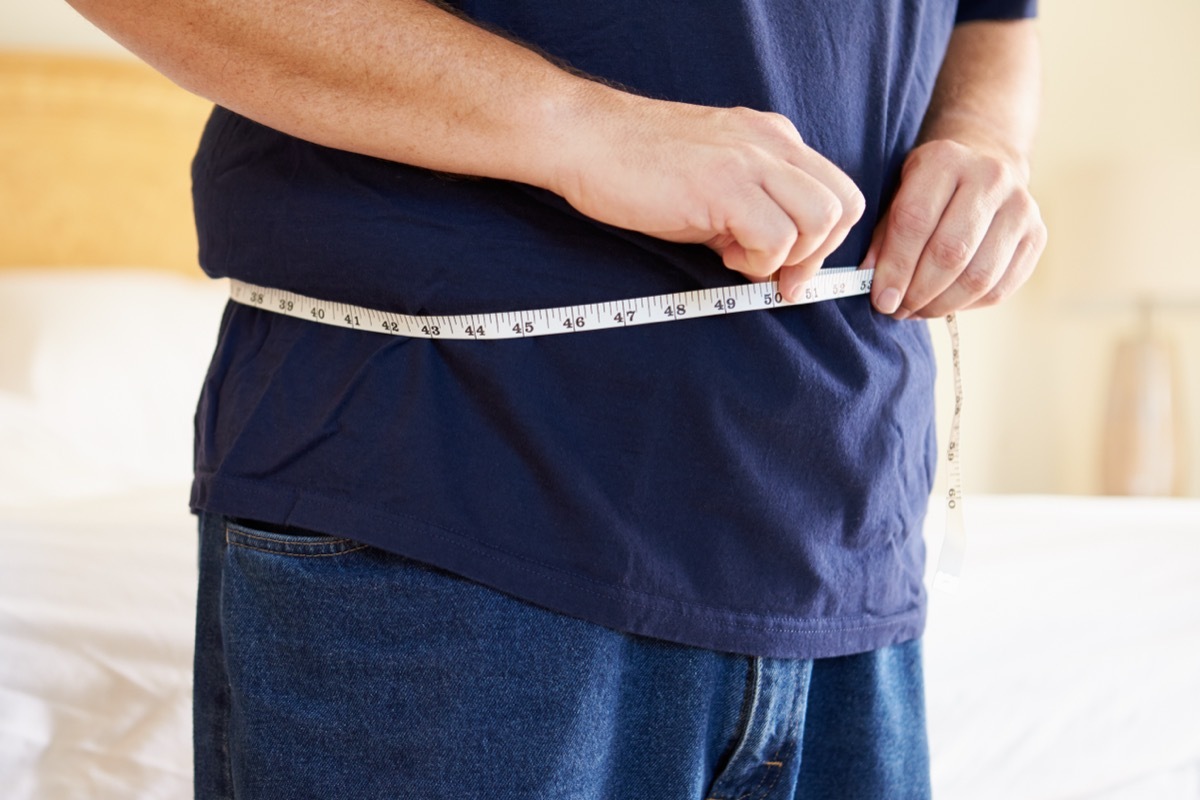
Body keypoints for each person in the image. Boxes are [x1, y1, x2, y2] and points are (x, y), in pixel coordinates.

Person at [68, 0, 1045, 797]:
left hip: (847, 532)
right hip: (447, 506)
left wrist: (984, 139)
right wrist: (577, 125)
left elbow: (994, 17)